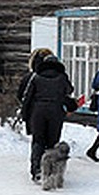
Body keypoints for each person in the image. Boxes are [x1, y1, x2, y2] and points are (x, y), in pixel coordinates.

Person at [21, 54, 73, 182]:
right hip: (55, 113)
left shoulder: (36, 77)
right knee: (52, 143)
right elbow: (69, 91)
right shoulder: (61, 78)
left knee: (38, 141)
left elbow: (27, 97)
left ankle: (36, 171)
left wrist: (25, 114)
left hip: (38, 113)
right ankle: (51, 172)